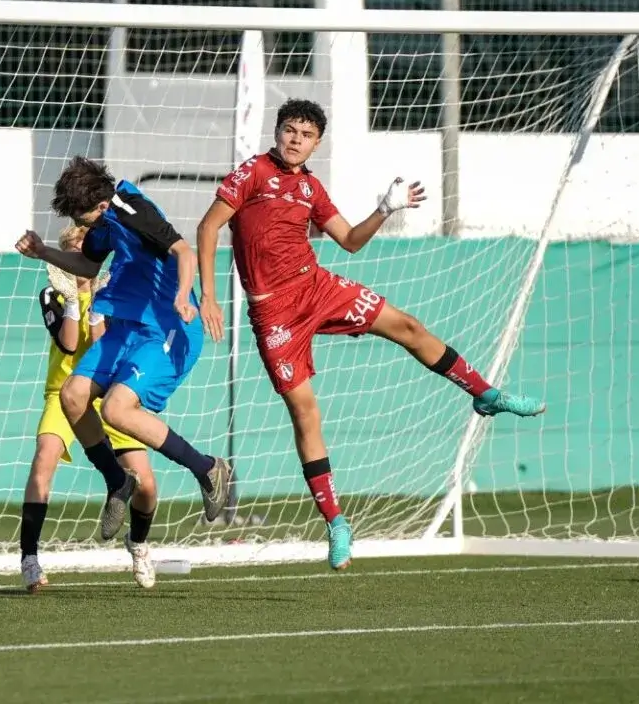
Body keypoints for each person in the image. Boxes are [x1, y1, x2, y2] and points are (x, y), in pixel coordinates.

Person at [194, 99, 546, 571]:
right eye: (290, 130)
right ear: (277, 132)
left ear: (317, 143)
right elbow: (208, 226)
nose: (295, 139)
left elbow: (350, 241)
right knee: (305, 412)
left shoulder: (312, 189)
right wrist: (210, 298)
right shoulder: (253, 172)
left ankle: (484, 393)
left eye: (306, 134)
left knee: (408, 326)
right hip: (273, 313)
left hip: (316, 287)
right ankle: (336, 522)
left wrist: (384, 209)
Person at [16, 156, 231, 588]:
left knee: (116, 408)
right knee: (73, 394)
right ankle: (117, 482)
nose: (83, 223)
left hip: (166, 326)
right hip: (126, 323)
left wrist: (186, 296)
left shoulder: (132, 209)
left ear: (98, 203)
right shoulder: (102, 222)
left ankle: (209, 468)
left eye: (83, 215)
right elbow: (90, 267)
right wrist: (44, 252)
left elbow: (183, 250)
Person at [19, 226, 150, 592]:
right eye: (73, 250)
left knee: (146, 483)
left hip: (105, 392)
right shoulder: (52, 294)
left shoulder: (111, 290)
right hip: (64, 392)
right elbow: (69, 343)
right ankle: (29, 558)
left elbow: (99, 345)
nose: (80, 258)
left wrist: (96, 302)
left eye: (85, 250)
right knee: (44, 457)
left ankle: (138, 546)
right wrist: (75, 300)